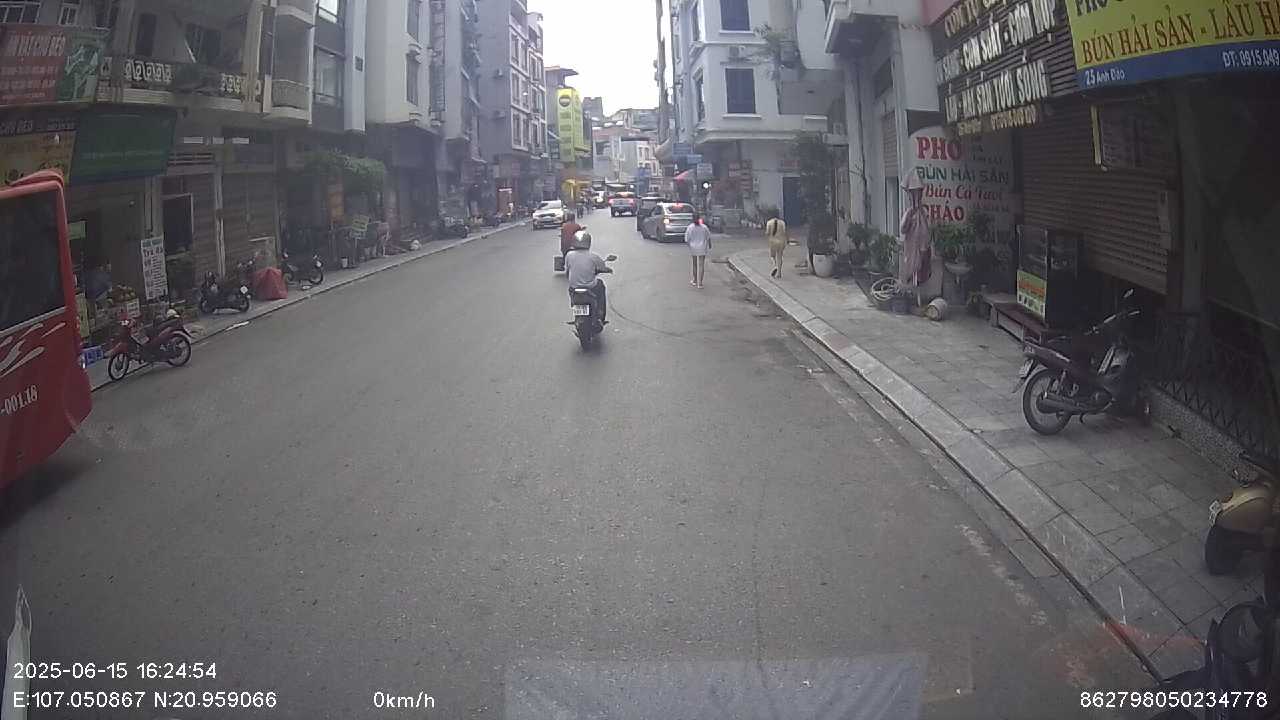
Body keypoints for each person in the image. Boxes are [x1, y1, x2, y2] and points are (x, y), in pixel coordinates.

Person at [564, 230, 611, 322]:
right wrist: (607, 269)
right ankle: (601, 313)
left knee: (571, 290)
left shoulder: (569, 255)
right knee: (600, 284)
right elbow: (602, 267)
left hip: (574, 287)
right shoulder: (593, 256)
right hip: (590, 287)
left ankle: (576, 311)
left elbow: (567, 271)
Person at [898, 174, 932, 291]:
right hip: (912, 248)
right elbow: (903, 229)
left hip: (923, 248)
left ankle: (919, 295)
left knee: (923, 272)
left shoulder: (924, 211)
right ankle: (912, 294)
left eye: (919, 192)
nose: (917, 195)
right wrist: (910, 216)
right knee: (912, 273)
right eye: (914, 193)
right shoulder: (908, 212)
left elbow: (927, 230)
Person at [684, 213, 712, 288]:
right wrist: (709, 245)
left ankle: (695, 280)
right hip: (702, 247)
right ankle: (700, 283)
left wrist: (689, 246)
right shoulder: (704, 227)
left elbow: (687, 239)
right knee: (701, 265)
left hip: (693, 247)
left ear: (692, 219)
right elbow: (708, 237)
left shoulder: (690, 227)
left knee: (694, 264)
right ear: (699, 218)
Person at [764, 209, 788, 278]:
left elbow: (767, 233)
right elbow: (784, 232)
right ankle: (779, 273)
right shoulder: (782, 222)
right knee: (780, 257)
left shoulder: (769, 222)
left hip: (773, 242)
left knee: (772, 256)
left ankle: (775, 266)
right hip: (781, 242)